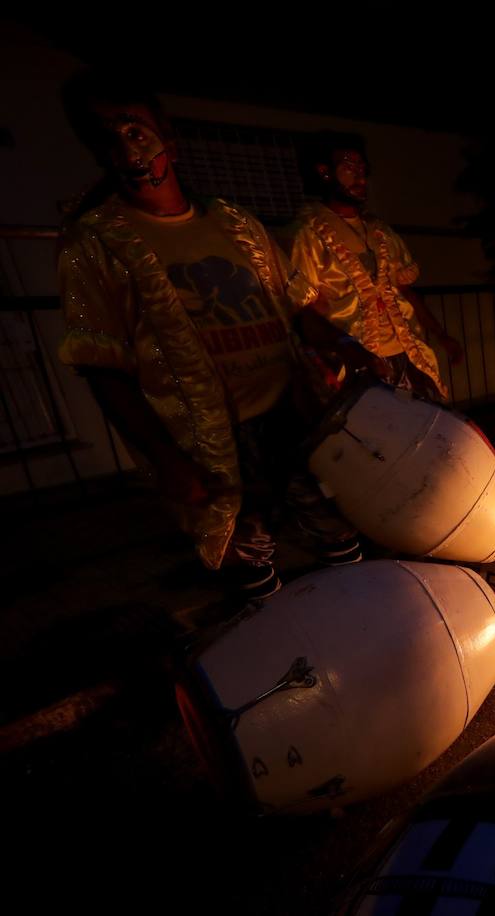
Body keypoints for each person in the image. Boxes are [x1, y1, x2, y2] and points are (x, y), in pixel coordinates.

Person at [57, 71, 365, 599]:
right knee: (248, 557)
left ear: (169, 140)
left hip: (291, 412)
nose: (125, 145)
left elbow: (294, 306)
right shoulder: (93, 245)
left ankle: (368, 627)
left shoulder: (236, 223)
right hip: (210, 442)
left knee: (340, 531)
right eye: (105, 133)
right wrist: (166, 460)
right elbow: (100, 364)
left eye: (135, 129)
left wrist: (345, 346)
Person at [289, 131, 460, 401]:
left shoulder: (381, 232)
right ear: (325, 173)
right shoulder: (308, 235)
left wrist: (441, 335)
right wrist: (346, 352)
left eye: (363, 170)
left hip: (405, 354)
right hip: (354, 364)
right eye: (349, 169)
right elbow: (306, 311)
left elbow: (405, 291)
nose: (360, 178)